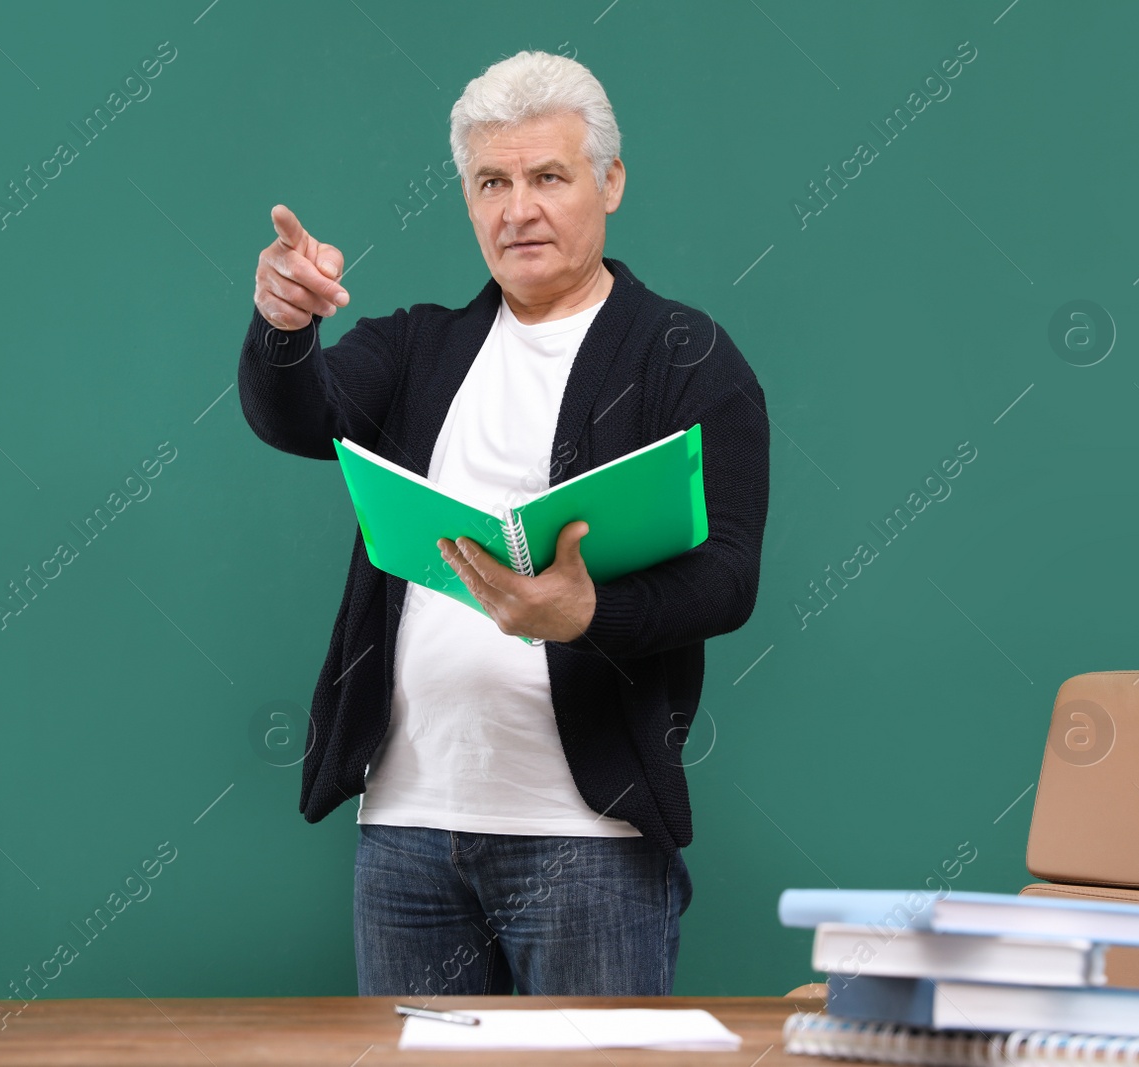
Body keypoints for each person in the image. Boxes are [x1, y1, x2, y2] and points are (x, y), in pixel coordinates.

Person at [239, 49, 769, 997]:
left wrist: (587, 613)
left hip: (588, 846)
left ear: (610, 182)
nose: (517, 208)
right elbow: (296, 418)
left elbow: (729, 576)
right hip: (404, 831)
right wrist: (284, 326)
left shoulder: (686, 356)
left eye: (547, 177)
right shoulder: (415, 344)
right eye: (492, 181)